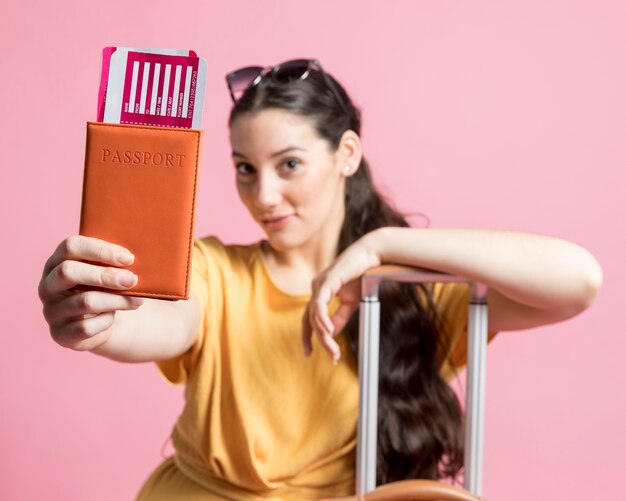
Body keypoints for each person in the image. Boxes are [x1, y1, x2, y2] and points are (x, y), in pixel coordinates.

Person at [38, 59, 602, 500]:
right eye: (245, 169)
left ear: (346, 154)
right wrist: (96, 321)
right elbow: (159, 323)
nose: (263, 197)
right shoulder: (217, 270)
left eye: (288, 164)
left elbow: (578, 279)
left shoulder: (405, 292)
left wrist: (383, 247)